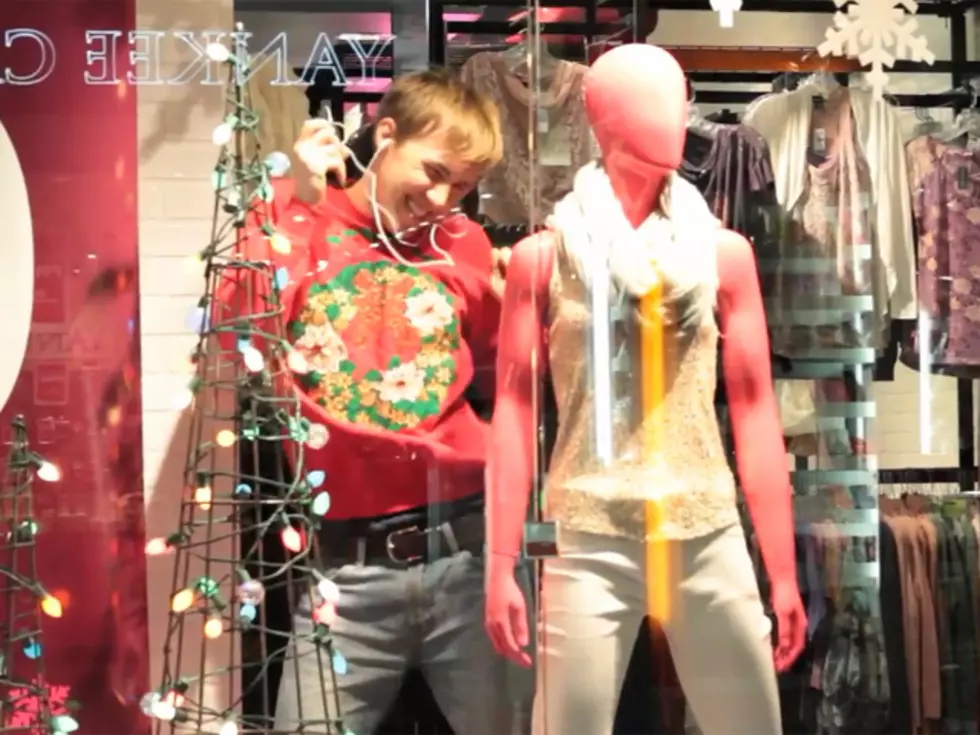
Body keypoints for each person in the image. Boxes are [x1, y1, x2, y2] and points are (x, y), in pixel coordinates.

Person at [485, 44, 805, 734]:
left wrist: (780, 567)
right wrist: (501, 559)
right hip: (590, 533)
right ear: (604, 119)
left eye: (679, 95)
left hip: (705, 529)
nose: (676, 113)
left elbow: (754, 409)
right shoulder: (546, 258)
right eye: (655, 98)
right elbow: (514, 412)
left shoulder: (722, 254)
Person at [216, 68, 528, 735]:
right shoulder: (298, 217)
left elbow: (516, 375)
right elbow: (241, 324)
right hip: (344, 572)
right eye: (434, 169)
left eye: (465, 186)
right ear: (385, 136)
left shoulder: (464, 244)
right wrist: (293, 201)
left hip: (469, 556)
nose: (443, 197)